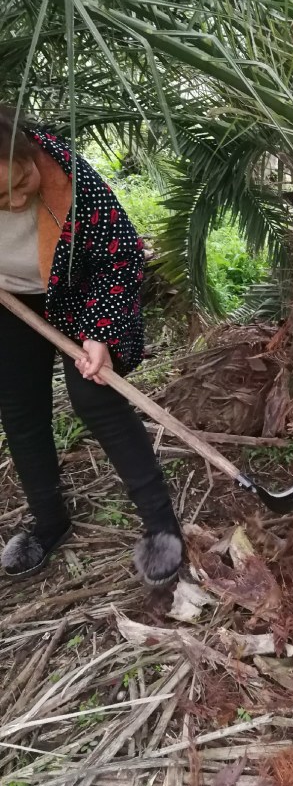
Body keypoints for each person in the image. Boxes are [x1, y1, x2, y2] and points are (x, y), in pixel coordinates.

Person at [0, 108, 183, 585]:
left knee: (97, 398)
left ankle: (162, 526)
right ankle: (48, 523)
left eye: (23, 181)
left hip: (82, 296)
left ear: (28, 152)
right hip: (11, 303)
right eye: (1, 197)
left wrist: (97, 333)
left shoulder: (71, 179)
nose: (18, 201)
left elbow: (121, 258)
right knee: (20, 410)